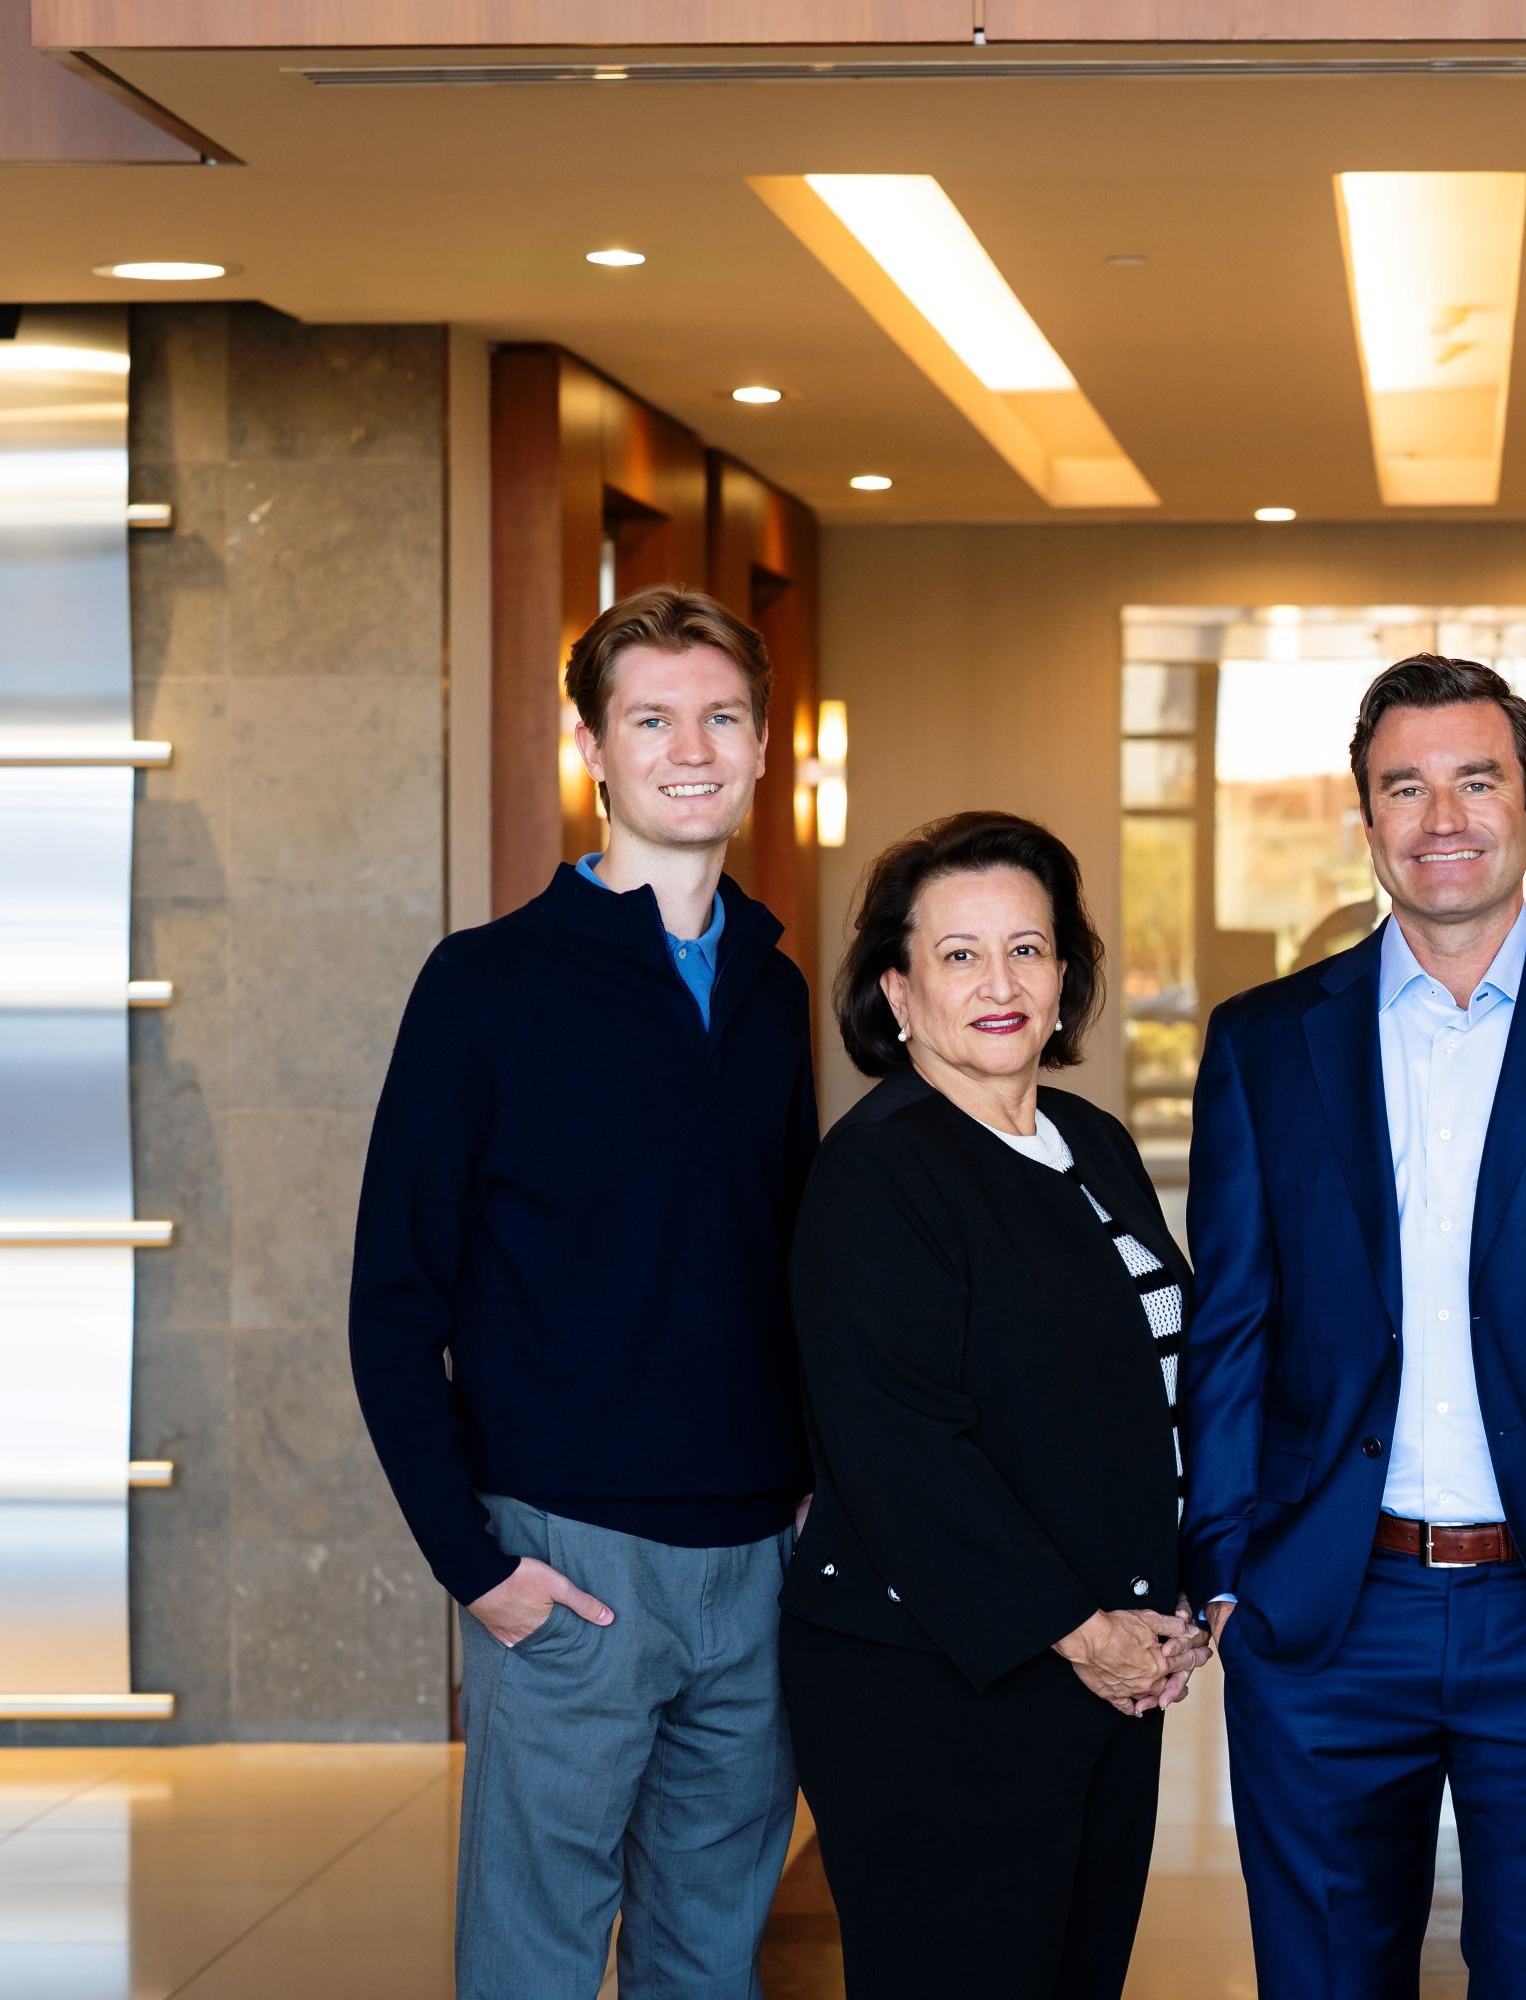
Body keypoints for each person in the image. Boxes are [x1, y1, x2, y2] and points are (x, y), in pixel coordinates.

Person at [1180, 653, 1526, 2000]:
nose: (1442, 818)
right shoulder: (1263, 1042)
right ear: (1365, 817)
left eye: (1477, 781)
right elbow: (1232, 1322)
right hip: (1325, 1618)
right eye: (1405, 787)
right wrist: (1227, 1573)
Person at [349, 584, 815, 1998]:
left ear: (762, 743)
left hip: (757, 1564)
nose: (693, 749)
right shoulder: (484, 984)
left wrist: (812, 1499)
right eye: (652, 720)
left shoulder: (775, 988)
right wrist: (476, 1567)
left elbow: (788, 1266)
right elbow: (393, 1299)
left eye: (721, 717)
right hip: (567, 1563)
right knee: (533, 1964)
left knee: (711, 1960)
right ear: (593, 748)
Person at [780, 810, 1208, 2000]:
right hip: (936, 1682)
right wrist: (1085, 1630)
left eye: (1028, 948)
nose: (1001, 983)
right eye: (959, 954)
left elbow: (1142, 1389)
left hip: (1102, 1669)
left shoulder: (1090, 1139)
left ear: (1066, 974)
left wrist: (1165, 1594)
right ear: (899, 990)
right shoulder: (880, 1168)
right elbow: (901, 1447)